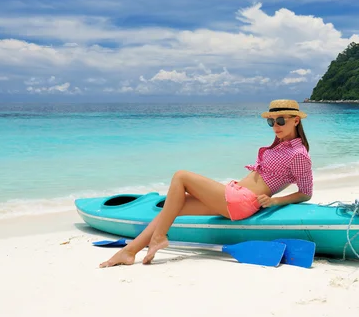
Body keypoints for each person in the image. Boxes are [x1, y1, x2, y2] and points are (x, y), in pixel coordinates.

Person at [99, 99, 313, 268]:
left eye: (281, 120)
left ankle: (160, 237)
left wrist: (275, 201)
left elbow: (306, 192)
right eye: (271, 121)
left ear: (296, 120)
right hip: (236, 196)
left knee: (181, 176)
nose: (275, 125)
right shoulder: (280, 146)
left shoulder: (299, 153)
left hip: (243, 201)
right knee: (172, 207)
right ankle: (129, 252)